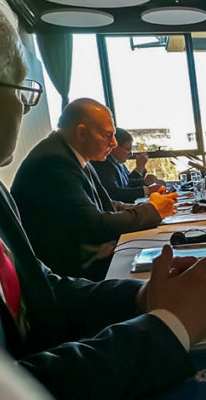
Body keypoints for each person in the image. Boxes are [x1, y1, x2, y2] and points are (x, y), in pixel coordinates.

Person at [0, 0, 206, 400]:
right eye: (20, 90)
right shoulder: (45, 163)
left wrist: (141, 296)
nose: (24, 107)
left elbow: (42, 291)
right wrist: (168, 327)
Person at [11, 98, 177, 280]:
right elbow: (94, 226)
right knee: (166, 271)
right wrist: (152, 211)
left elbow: (106, 205)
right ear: (81, 133)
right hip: (70, 276)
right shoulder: (53, 162)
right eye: (108, 135)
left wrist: (146, 207)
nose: (114, 143)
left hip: (85, 259)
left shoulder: (72, 155)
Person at [91, 127, 161, 203]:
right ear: (114, 147)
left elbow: (127, 184)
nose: (131, 154)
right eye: (128, 149)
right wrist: (147, 190)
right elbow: (115, 193)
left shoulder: (117, 162)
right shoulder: (103, 164)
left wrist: (144, 182)